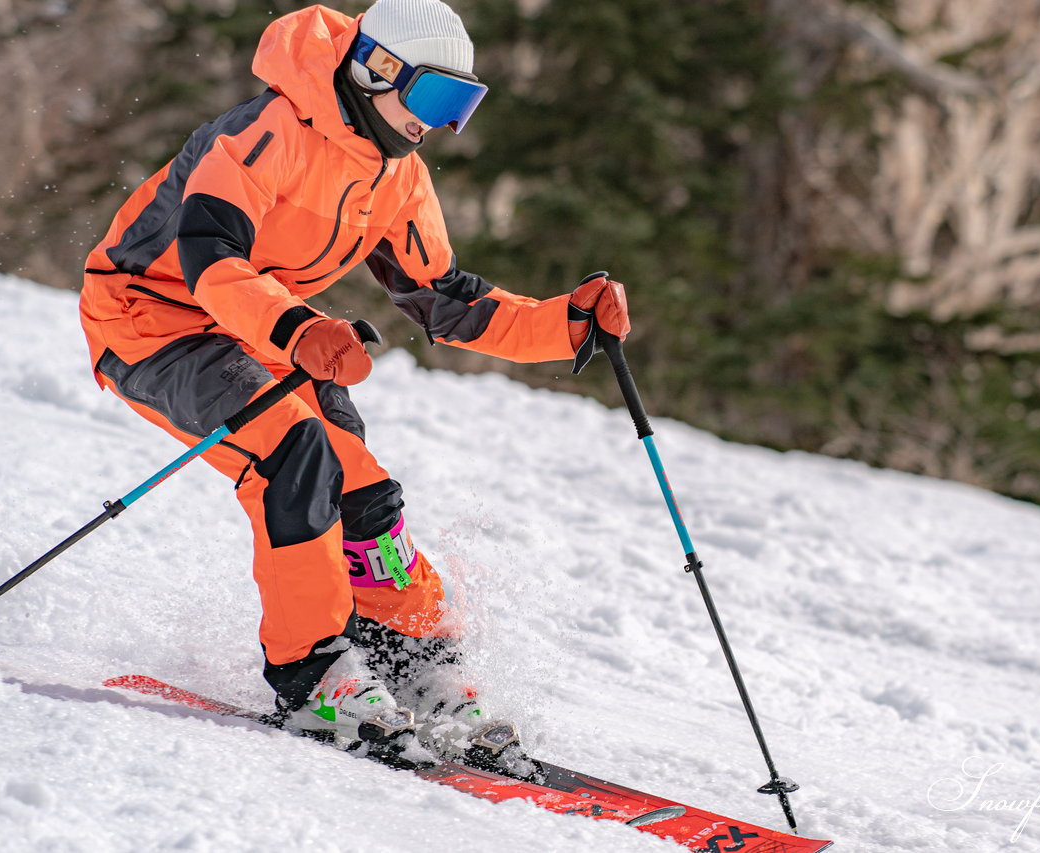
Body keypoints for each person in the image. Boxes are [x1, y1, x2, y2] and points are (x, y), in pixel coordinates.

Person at [79, 0, 629, 762]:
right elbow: (210, 258)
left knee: (363, 486)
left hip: (261, 325)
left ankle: (410, 657)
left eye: (462, 106)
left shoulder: (398, 175)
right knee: (294, 452)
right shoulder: (264, 132)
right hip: (148, 315)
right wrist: (299, 330)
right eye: (436, 98)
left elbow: (445, 299)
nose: (440, 123)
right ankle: (311, 677)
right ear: (377, 70)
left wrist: (569, 321)